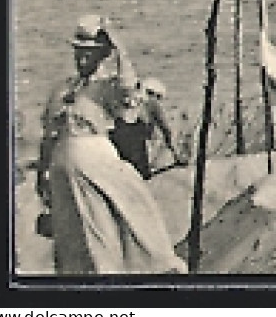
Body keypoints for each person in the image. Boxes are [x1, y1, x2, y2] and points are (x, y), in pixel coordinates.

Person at [37, 16, 186, 274]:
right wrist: (43, 173)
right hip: (63, 168)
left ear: (101, 57)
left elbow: (129, 89)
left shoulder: (106, 87)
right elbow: (48, 135)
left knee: (120, 217)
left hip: (96, 160)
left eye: (90, 55)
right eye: (79, 54)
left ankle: (142, 270)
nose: (83, 60)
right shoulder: (61, 89)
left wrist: (119, 48)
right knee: (72, 237)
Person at [108, 77, 188, 179]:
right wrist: (176, 156)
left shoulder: (123, 102)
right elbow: (166, 131)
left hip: (116, 146)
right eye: (158, 97)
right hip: (135, 147)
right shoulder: (151, 104)